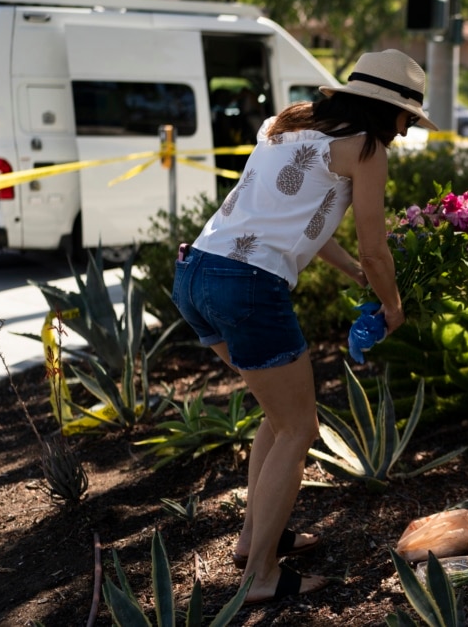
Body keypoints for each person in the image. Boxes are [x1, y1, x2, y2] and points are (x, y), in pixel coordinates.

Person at [171, 50, 438, 605]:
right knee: (299, 430)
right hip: (247, 288)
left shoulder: (283, 124)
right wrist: (391, 305)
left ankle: (253, 541)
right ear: (386, 110)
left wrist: (354, 275)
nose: (409, 132)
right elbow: (374, 244)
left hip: (196, 273)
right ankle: (261, 577)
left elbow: (290, 222)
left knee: (279, 417)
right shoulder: (367, 149)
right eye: (409, 118)